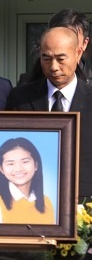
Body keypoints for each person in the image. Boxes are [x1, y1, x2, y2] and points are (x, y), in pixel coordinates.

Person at [6, 27, 92, 200]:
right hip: (31, 199)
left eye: (61, 59)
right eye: (46, 59)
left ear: (78, 53)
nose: (53, 67)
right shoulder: (20, 97)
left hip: (84, 201)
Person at [0, 137, 55, 224]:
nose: (18, 169)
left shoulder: (46, 202)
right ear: (1, 169)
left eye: (25, 162)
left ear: (36, 165)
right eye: (10, 163)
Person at [18, 9, 92, 86]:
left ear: (85, 43)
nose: (62, 42)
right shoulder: (28, 83)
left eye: (71, 37)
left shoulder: (89, 83)